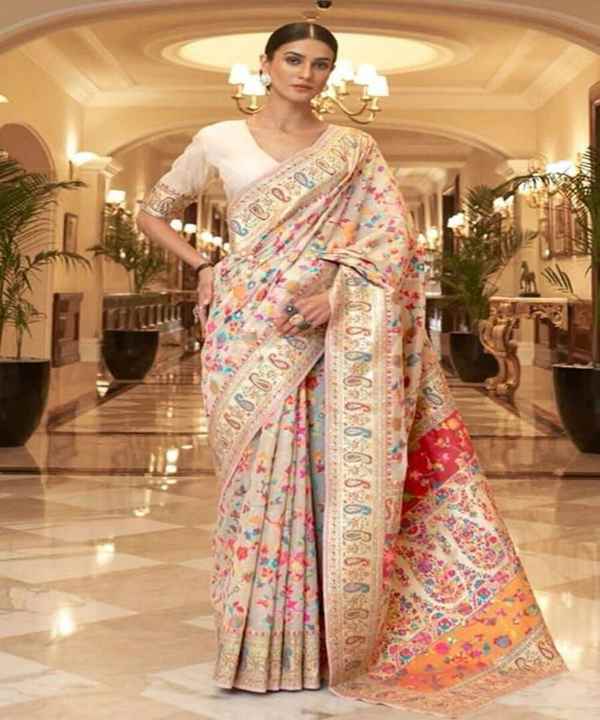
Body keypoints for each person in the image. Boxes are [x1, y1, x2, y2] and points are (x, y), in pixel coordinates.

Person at [137, 21, 566, 719]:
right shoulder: (217, 138)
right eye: (293, 59)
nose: (306, 74)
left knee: (325, 472)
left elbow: (392, 238)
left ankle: (324, 642)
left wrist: (337, 293)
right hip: (247, 325)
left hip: (333, 328)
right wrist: (205, 265)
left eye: (321, 64)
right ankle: (257, 644)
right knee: (254, 481)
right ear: (265, 64)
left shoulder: (353, 149)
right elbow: (155, 212)